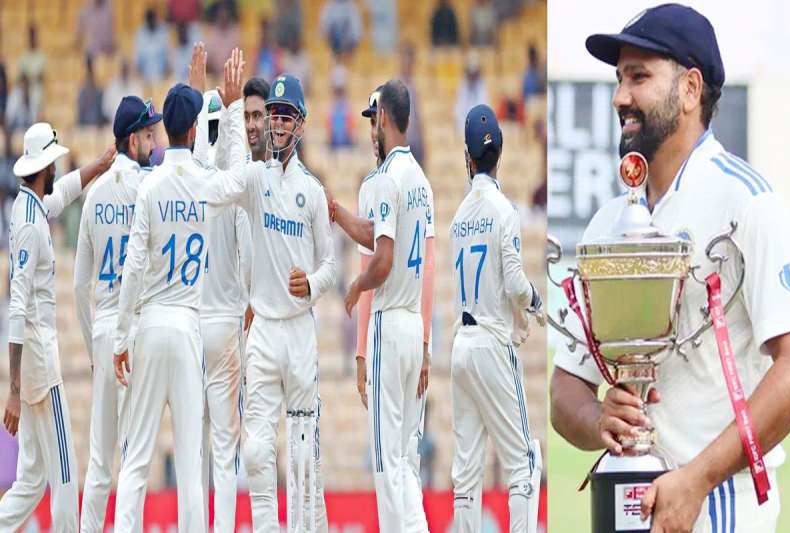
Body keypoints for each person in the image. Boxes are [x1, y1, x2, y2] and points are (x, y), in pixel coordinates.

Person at [550, 5, 790, 532]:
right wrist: (600, 420)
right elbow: (564, 389)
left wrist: (699, 478)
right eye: (619, 79)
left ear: (690, 89)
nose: (620, 97)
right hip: (625, 507)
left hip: (720, 507)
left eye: (638, 77)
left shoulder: (747, 202)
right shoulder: (607, 224)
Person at [111, 49, 248, 533]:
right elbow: (238, 178)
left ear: (166, 131)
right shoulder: (203, 182)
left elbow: (133, 267)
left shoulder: (150, 185)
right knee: (192, 463)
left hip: (150, 324)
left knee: (136, 458)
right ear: (193, 130)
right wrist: (232, 108)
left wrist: (121, 338)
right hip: (188, 326)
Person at [212, 69, 335, 532]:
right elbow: (223, 184)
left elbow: (330, 264)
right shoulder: (255, 179)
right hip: (262, 329)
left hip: (299, 332)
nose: (278, 124)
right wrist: (228, 113)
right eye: (274, 116)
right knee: (257, 451)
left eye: (286, 116)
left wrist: (314, 284)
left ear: (300, 123)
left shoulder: (312, 192)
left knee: (304, 457)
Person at [332, 82, 436, 531]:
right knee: (406, 460)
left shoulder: (381, 180)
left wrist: (357, 286)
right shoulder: (421, 181)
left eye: (373, 119)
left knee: (385, 461)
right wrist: (337, 213)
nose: (371, 129)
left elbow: (383, 258)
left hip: (389, 323)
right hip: (413, 326)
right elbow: (386, 237)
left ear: (385, 118)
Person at [0, 122, 114, 532]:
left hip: (34, 353)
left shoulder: (26, 206)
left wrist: (99, 165)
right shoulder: (31, 224)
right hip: (39, 357)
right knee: (65, 475)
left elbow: (62, 194)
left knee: (32, 479)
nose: (56, 169)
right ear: (44, 166)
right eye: (54, 164)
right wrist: (14, 390)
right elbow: (17, 305)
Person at [449, 104, 543, 532]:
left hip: (462, 346)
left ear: (468, 158)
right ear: (499, 153)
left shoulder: (458, 218)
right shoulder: (504, 210)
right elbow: (516, 285)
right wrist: (535, 305)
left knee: (466, 476)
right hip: (491, 344)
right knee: (524, 462)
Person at [74, 95, 162, 533]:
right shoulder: (150, 188)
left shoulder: (94, 196)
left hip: (104, 327)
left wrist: (93, 347)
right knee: (133, 457)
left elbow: (79, 287)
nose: (154, 142)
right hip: (135, 331)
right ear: (131, 140)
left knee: (99, 461)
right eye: (148, 134)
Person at [189, 55, 253, 532]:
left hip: (192, 324)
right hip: (227, 325)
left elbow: (199, 150)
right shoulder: (230, 187)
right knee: (226, 447)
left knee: (194, 444)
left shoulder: (188, 181)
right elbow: (240, 170)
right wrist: (232, 111)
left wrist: (203, 102)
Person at [453, 53, 489, 132]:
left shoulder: (481, 88)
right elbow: (458, 112)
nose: (472, 77)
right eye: (471, 75)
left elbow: (485, 111)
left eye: (474, 74)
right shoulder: (463, 88)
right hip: (464, 128)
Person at [134, 8, 170, 82]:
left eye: (153, 19)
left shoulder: (163, 31)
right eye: (150, 20)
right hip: (144, 78)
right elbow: (137, 61)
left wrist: (165, 77)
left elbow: (168, 57)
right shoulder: (141, 34)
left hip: (161, 77)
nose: (152, 22)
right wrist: (140, 79)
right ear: (147, 21)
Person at [103, 60, 143, 125]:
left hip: (132, 125)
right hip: (113, 124)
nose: (124, 72)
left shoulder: (136, 86)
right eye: (123, 69)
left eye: (126, 69)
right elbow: (106, 110)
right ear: (120, 70)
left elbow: (139, 110)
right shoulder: (112, 86)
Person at [328, 65, 354, 149]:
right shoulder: (331, 106)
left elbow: (350, 127)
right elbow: (329, 128)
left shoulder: (348, 106)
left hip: (347, 141)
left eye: (341, 90)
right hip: (334, 143)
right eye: (337, 90)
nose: (339, 92)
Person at [78, 56, 105, 126]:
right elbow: (80, 116)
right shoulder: (82, 93)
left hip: (97, 126)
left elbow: (101, 114)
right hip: (84, 127)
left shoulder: (99, 93)